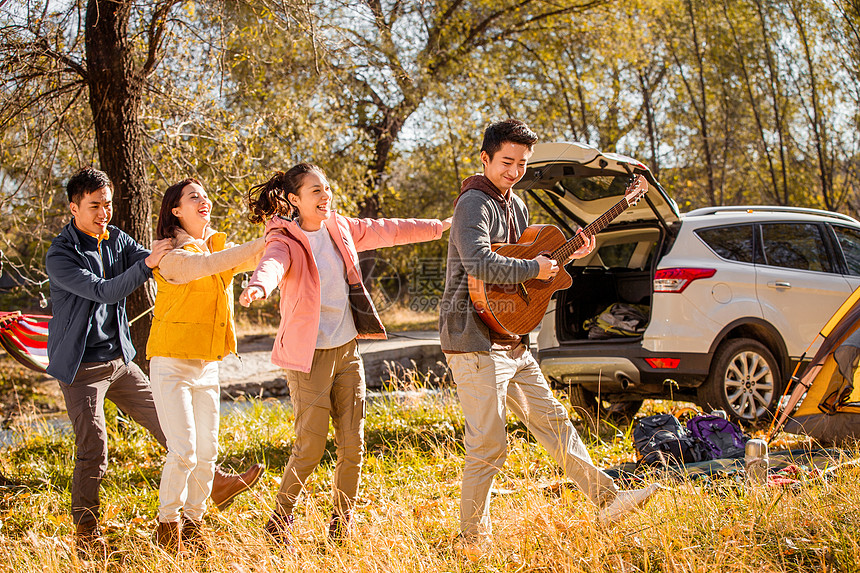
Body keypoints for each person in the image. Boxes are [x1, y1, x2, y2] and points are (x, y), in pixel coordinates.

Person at [438, 119, 658, 544]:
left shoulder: (516, 206)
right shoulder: (473, 204)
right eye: (507, 161)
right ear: (485, 158)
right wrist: (534, 267)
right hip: (474, 339)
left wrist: (568, 256)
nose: (515, 170)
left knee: (556, 422)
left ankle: (608, 500)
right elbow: (480, 264)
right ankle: (471, 540)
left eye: (522, 163)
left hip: (511, 338)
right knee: (489, 445)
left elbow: (528, 276)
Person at [45, 168, 263, 557]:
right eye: (94, 206)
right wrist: (147, 266)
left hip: (120, 360)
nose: (103, 213)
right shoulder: (60, 254)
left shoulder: (116, 239)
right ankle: (86, 532)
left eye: (108, 204)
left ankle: (209, 489)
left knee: (173, 432)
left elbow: (160, 261)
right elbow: (104, 291)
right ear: (74, 207)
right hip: (80, 368)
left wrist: (169, 257)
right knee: (94, 446)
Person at [239, 163, 450, 546]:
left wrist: (440, 226)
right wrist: (259, 287)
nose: (325, 196)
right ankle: (280, 520)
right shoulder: (283, 240)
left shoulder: (342, 228)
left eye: (327, 188)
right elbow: (271, 265)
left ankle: (341, 523)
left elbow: (389, 229)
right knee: (311, 447)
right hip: (310, 358)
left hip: (347, 351)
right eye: (315, 191)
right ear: (294, 199)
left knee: (353, 444)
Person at [146, 178, 267, 551]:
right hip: (171, 365)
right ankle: (167, 528)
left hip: (207, 366)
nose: (205, 201)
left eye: (206, 195)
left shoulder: (218, 247)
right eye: (193, 196)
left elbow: (249, 258)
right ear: (176, 210)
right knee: (183, 450)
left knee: (208, 452)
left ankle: (195, 525)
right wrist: (264, 240)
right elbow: (208, 265)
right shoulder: (169, 256)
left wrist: (282, 230)